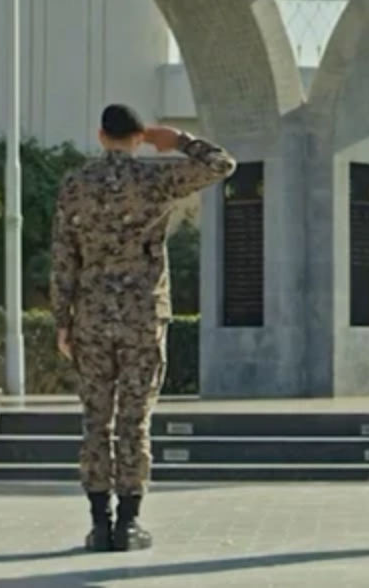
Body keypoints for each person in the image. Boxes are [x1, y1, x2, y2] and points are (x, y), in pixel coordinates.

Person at [50, 104, 236, 553]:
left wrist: (62, 320)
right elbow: (223, 165)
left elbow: (63, 256)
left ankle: (99, 523)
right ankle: (129, 523)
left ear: (100, 136)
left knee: (96, 420)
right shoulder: (155, 178)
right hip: (143, 315)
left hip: (92, 315)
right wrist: (177, 141)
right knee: (134, 419)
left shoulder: (76, 184)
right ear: (139, 137)